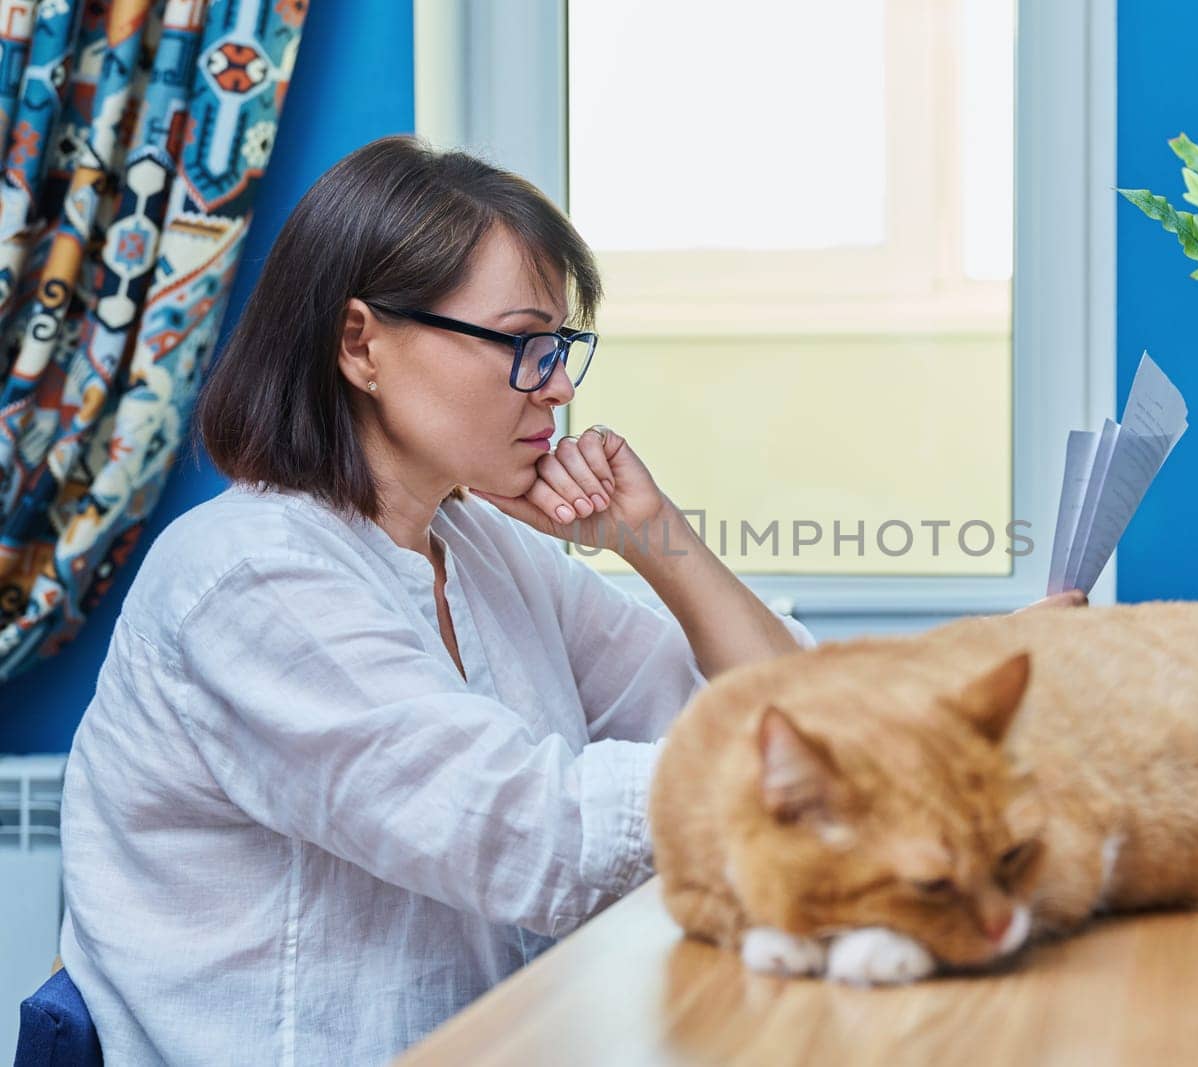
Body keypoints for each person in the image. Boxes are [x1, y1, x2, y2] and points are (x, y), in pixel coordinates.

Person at [57, 136, 814, 1065]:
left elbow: (776, 711)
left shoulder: (481, 546)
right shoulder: (250, 576)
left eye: (563, 346)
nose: (562, 386)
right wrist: (812, 772)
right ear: (359, 342)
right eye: (525, 344)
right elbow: (541, 838)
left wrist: (657, 537)